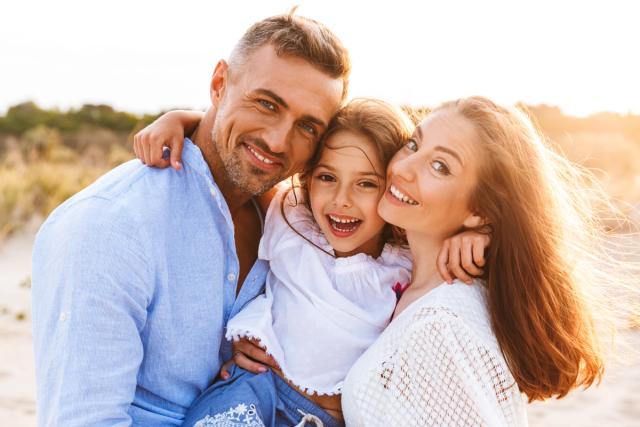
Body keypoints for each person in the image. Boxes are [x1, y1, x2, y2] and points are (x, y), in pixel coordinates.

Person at [31, 12, 349, 426]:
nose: (277, 141)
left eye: (307, 127)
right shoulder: (109, 226)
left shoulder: (296, 225)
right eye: (266, 104)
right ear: (220, 84)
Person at [184, 98, 415, 426]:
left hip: (332, 417)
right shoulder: (292, 216)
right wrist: (181, 122)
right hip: (257, 385)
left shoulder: (405, 265)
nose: (341, 200)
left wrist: (471, 237)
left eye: (366, 183)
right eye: (326, 178)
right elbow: (228, 150)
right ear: (308, 179)